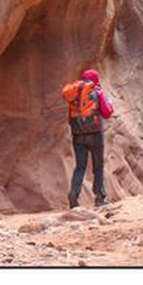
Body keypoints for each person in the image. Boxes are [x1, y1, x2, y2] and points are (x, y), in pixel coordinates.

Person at [62, 68, 114, 208]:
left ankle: (74, 194)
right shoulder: (96, 92)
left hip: (78, 134)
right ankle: (100, 198)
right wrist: (110, 102)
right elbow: (107, 113)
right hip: (95, 133)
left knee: (80, 167)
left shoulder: (75, 94)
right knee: (98, 166)